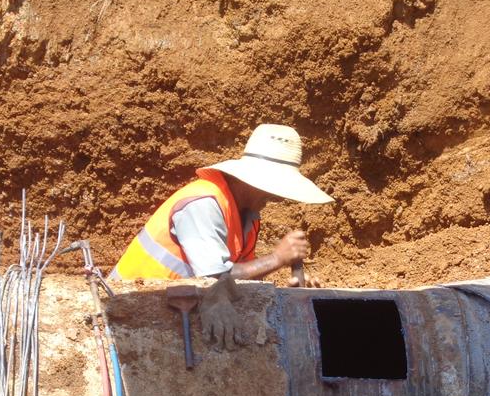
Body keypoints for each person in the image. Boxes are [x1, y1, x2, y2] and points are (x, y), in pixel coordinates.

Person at [109, 124, 333, 348]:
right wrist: (277, 259)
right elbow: (213, 279)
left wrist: (287, 295)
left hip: (172, 311)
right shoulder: (203, 203)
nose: (277, 198)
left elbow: (238, 283)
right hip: (128, 311)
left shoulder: (248, 216)